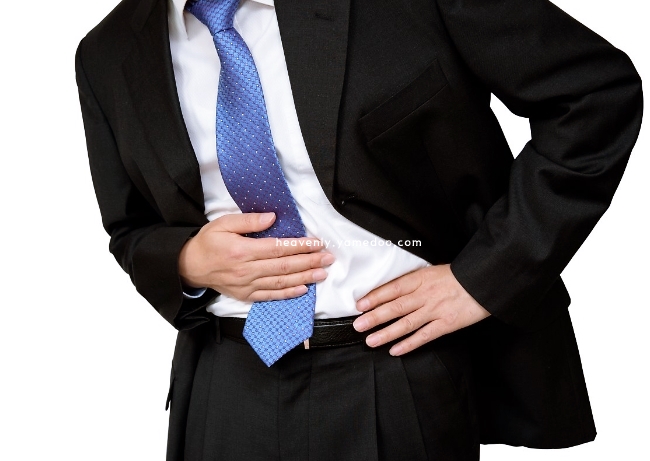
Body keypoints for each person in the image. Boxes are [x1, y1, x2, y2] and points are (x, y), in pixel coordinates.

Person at [75, 0, 643, 459]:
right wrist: (186, 261)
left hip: (394, 372)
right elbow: (129, 227)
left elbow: (594, 95)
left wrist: (484, 276)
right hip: (222, 387)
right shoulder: (107, 52)